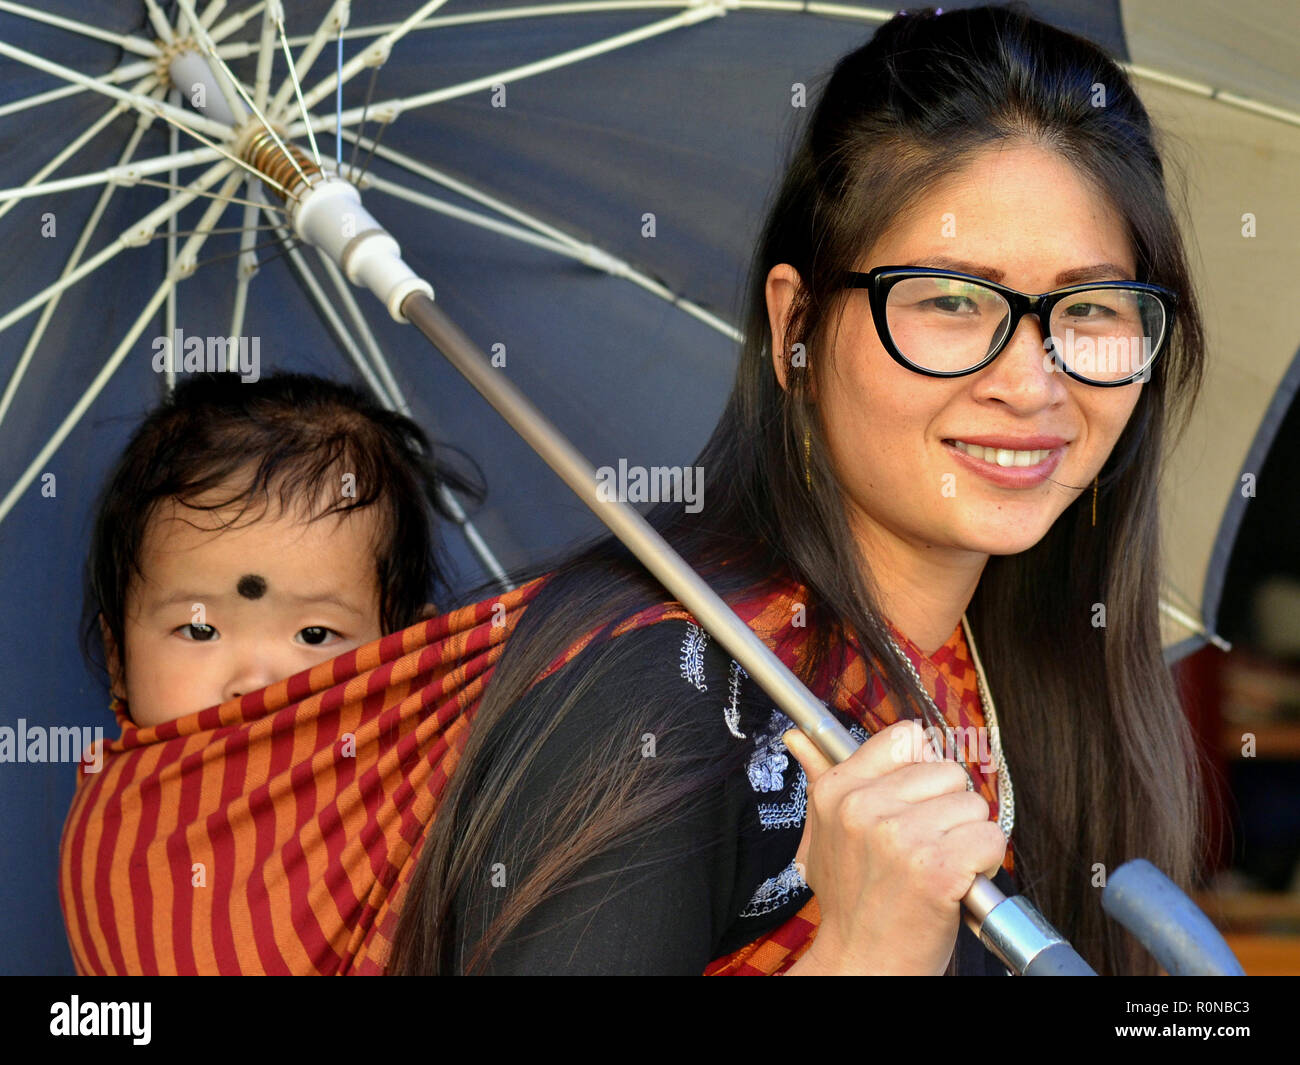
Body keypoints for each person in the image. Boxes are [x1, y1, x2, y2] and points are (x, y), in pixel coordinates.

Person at [388, 3, 1208, 976]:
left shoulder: (1017, 677)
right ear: (795, 330)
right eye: (950, 299)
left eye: (1090, 307)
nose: (1032, 383)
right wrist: (863, 951)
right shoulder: (661, 699)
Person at [81, 371, 479, 728]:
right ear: (117, 658)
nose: (255, 686)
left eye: (315, 634)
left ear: (408, 654)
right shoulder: (117, 804)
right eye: (200, 630)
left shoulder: (415, 793)